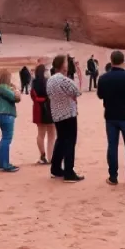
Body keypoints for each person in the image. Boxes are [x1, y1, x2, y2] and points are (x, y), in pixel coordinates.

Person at [97, 50, 125, 186]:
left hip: (110, 115)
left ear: (111, 61)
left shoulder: (103, 78)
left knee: (112, 146)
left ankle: (113, 176)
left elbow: (100, 95)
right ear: (123, 61)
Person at [46, 54, 83, 182]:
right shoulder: (62, 79)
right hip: (68, 114)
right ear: (62, 65)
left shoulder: (50, 80)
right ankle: (69, 172)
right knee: (69, 142)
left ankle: (56, 168)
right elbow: (77, 90)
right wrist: (77, 70)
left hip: (57, 114)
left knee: (61, 140)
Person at [0, 69, 21, 172]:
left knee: (4, 139)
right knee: (6, 139)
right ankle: (5, 163)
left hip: (1, 113)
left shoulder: (0, 87)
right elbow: (15, 97)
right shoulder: (3, 87)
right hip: (7, 113)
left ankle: (2, 162)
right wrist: (16, 91)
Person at [30, 63, 56, 165]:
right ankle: (51, 156)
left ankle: (42, 155)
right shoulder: (49, 82)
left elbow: (33, 96)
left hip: (39, 110)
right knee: (52, 135)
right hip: (50, 109)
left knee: (41, 134)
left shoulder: (34, 83)